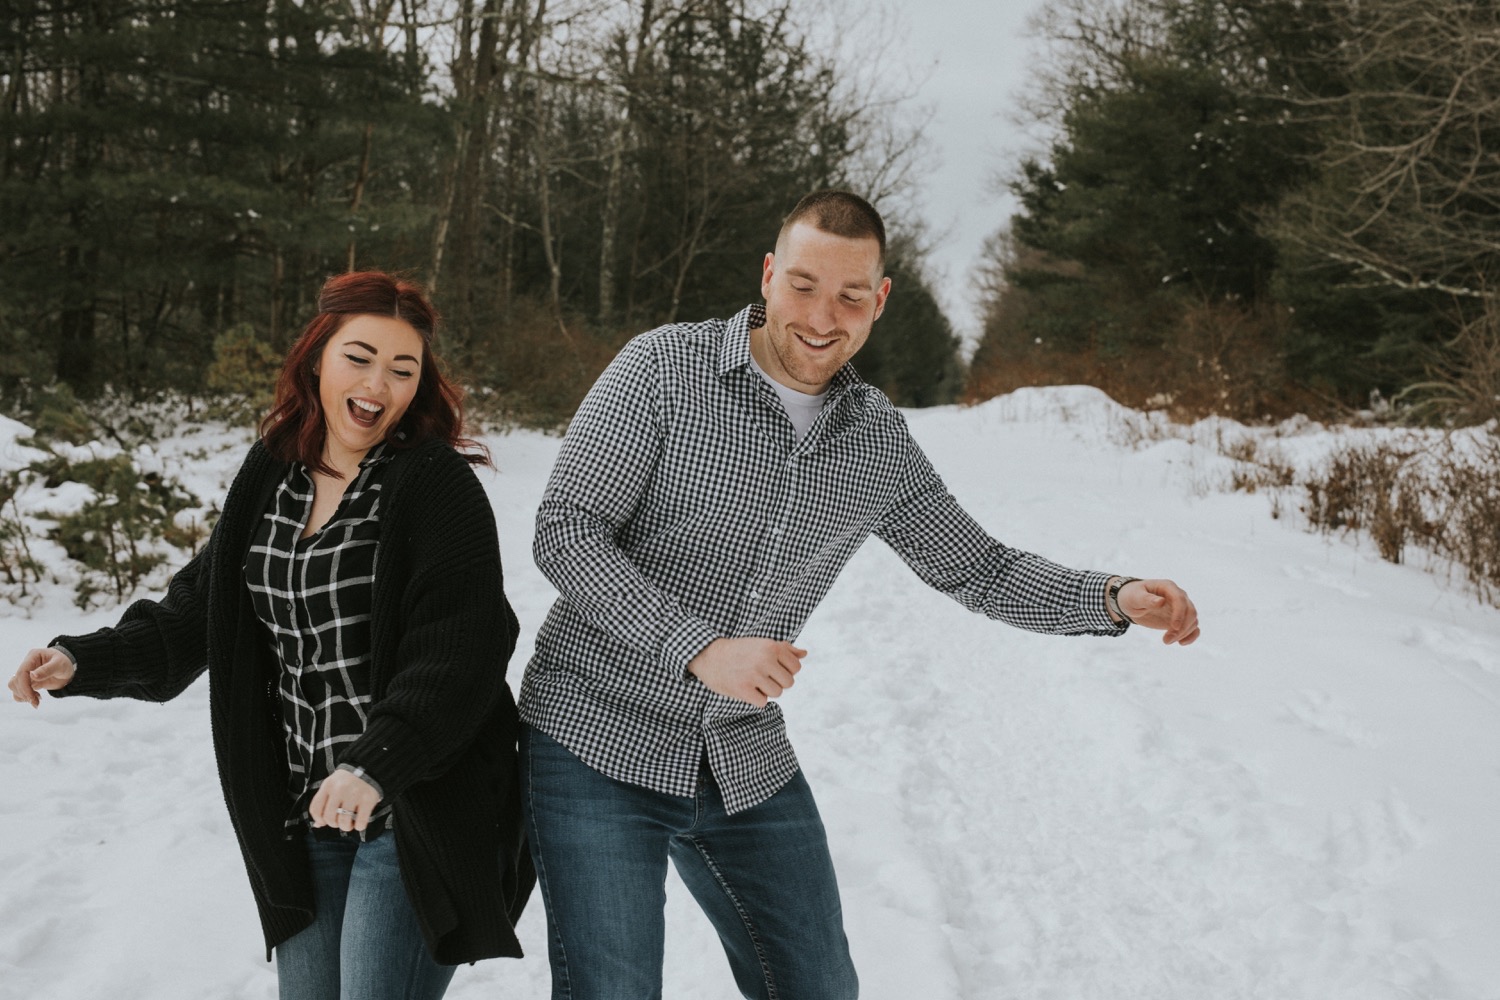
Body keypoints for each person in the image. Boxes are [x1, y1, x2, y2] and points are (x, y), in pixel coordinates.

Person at [518, 190, 1200, 999]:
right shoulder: (665, 368)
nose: (821, 315)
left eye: (849, 295)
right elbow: (566, 527)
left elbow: (978, 567)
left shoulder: (875, 440)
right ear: (769, 276)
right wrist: (696, 647)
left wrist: (1114, 596)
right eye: (803, 285)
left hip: (738, 750)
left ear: (878, 301)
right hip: (596, 733)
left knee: (818, 986)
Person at [8, 271, 533, 1000]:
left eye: (401, 369)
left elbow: (460, 655)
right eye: (360, 356)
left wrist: (375, 763)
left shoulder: (433, 486)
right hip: (305, 814)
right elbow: (201, 610)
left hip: (414, 809)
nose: (377, 383)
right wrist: (79, 660)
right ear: (317, 357)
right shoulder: (272, 475)